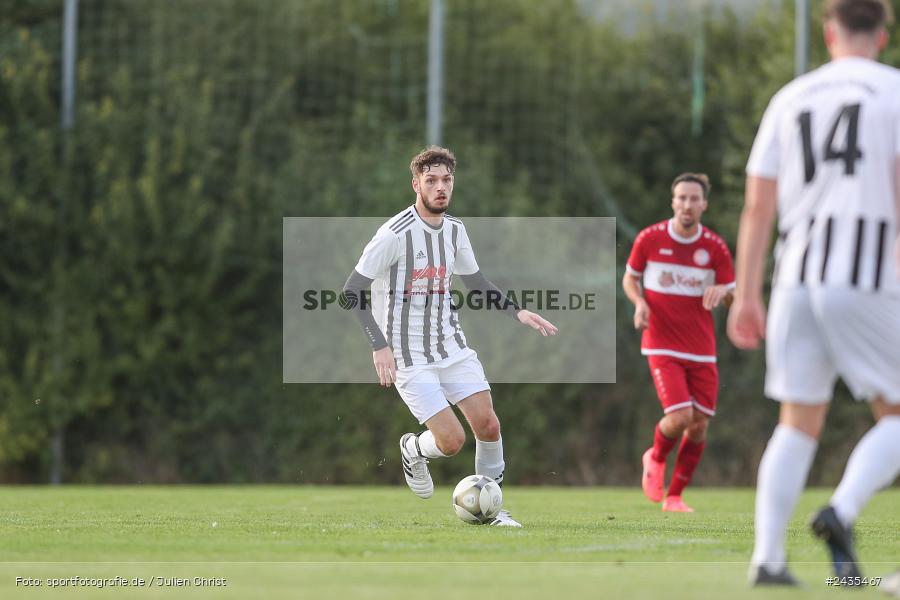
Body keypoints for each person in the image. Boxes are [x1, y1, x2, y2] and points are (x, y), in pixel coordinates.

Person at [728, 0, 900, 586]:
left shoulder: (791, 97)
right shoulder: (893, 92)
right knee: (896, 414)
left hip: (794, 278)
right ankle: (840, 512)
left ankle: (769, 560)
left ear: (829, 33)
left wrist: (749, 294)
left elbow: (758, 206)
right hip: (865, 273)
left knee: (797, 421)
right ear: (883, 33)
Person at [343, 146, 558, 527]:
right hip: (407, 355)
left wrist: (517, 311)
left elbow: (474, 281)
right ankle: (414, 448)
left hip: (451, 345)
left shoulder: (456, 230)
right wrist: (379, 346)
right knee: (452, 442)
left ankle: (492, 509)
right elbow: (352, 289)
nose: (441, 187)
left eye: (447, 180)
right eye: (431, 181)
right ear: (416, 185)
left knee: (489, 425)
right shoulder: (394, 234)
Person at [623, 173, 735, 513]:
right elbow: (630, 278)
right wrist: (640, 302)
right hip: (661, 343)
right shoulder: (650, 238)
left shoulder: (714, 247)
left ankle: (674, 497)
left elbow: (734, 295)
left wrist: (725, 293)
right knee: (681, 415)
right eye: (681, 198)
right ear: (673, 202)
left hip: (701, 348)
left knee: (699, 424)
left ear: (704, 204)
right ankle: (655, 457)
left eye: (693, 199)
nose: (687, 204)